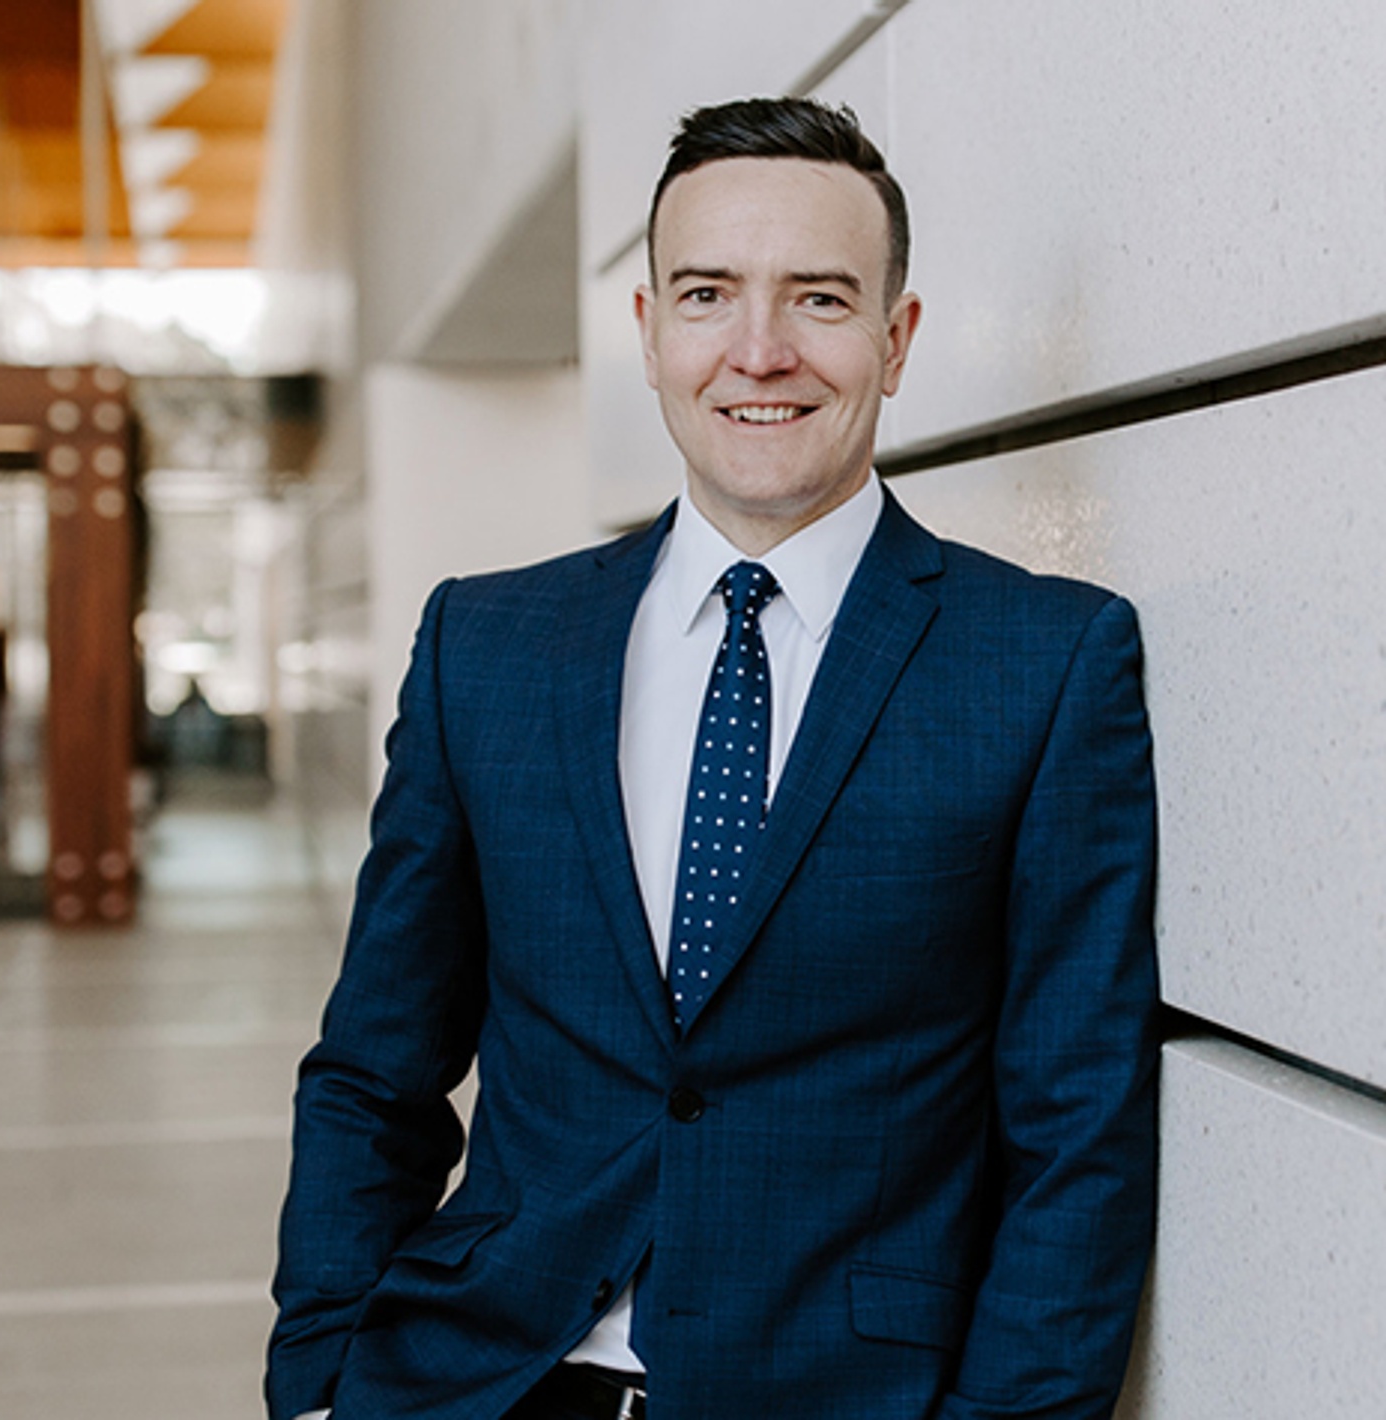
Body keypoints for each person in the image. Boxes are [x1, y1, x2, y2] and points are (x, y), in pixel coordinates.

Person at [266, 97, 1158, 1420]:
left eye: (819, 300)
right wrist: (323, 1375)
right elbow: (377, 1065)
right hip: (480, 1376)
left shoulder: (1045, 663)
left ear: (896, 339)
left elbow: (1078, 1130)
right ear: (647, 332)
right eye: (707, 295)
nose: (760, 351)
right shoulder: (486, 647)